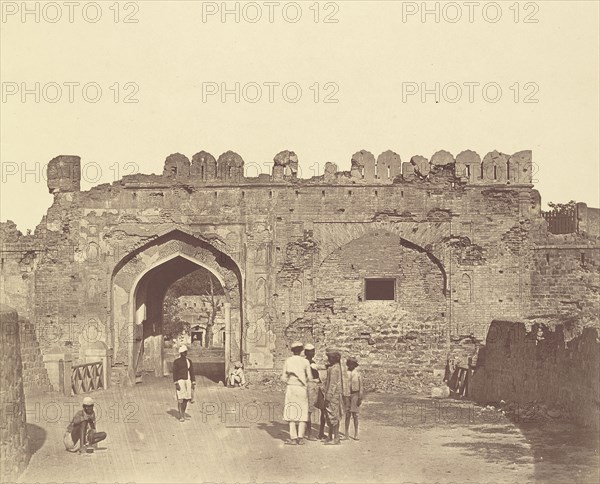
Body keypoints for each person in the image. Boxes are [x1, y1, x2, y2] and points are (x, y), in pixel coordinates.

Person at [281, 341, 311, 445]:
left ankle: (293, 438)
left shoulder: (288, 361)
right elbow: (310, 377)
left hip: (291, 388)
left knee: (291, 412)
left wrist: (291, 376)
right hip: (301, 388)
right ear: (302, 350)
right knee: (302, 411)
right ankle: (301, 438)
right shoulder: (305, 362)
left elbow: (283, 378)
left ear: (292, 350)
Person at [322, 348, 345, 445]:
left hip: (333, 397)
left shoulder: (335, 369)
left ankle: (336, 438)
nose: (329, 359)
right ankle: (330, 436)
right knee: (329, 416)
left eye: (330, 357)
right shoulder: (333, 368)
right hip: (332, 395)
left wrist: (328, 397)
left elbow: (333, 385)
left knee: (334, 416)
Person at [304, 343, 322, 441]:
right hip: (309, 387)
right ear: (307, 352)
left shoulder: (312, 362)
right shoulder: (305, 362)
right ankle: (309, 433)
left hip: (315, 387)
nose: (313, 353)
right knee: (309, 410)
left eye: (314, 351)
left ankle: (320, 432)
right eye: (311, 351)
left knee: (322, 408)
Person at [173, 344, 196, 422]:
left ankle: (183, 412)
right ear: (181, 353)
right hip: (180, 381)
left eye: (186, 352)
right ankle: (181, 415)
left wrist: (193, 381)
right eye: (184, 352)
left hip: (188, 381)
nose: (185, 353)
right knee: (180, 399)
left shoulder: (189, 361)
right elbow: (174, 373)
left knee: (186, 399)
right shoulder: (176, 362)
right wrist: (176, 383)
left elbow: (192, 371)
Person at [344, 356, 363, 440]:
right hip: (347, 394)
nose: (351, 365)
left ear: (355, 365)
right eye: (349, 364)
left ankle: (356, 433)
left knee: (355, 415)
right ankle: (346, 433)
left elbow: (361, 386)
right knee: (347, 415)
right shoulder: (345, 373)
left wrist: (360, 397)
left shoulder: (358, 373)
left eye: (353, 364)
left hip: (355, 394)